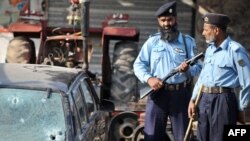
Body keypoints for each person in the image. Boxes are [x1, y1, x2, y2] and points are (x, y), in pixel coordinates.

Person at [133, 1, 202, 141]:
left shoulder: (187, 42)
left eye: (169, 19)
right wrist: (149, 79)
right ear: (159, 21)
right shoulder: (152, 42)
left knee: (184, 137)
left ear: (175, 19)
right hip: (157, 95)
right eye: (163, 20)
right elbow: (138, 64)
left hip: (180, 95)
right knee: (151, 137)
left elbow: (199, 68)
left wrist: (188, 70)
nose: (166, 24)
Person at [188, 13, 250, 141]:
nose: (203, 33)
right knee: (201, 138)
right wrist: (193, 99)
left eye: (206, 29)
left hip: (223, 101)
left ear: (216, 30)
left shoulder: (236, 51)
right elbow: (203, 78)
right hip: (204, 99)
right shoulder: (210, 49)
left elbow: (247, 81)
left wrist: (242, 108)